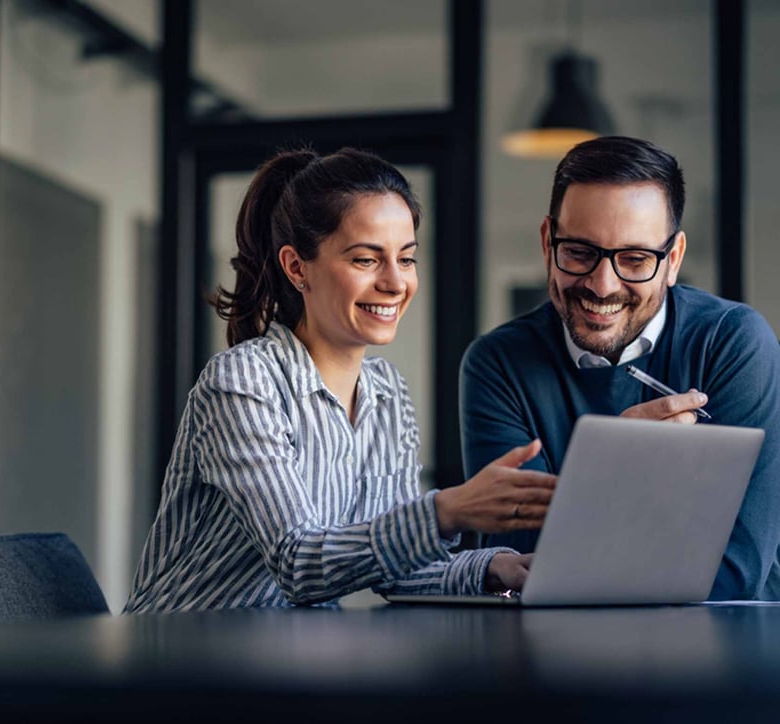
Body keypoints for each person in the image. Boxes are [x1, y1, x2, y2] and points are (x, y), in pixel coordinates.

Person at [126, 146, 556, 613]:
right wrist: (447, 510)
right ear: (297, 267)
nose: (396, 282)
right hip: (178, 660)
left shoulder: (387, 391)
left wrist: (497, 568)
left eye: (406, 259)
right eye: (366, 260)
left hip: (288, 660)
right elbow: (299, 564)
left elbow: (395, 566)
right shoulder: (241, 381)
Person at [460, 135, 780, 601]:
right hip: (561, 651)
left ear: (672, 260)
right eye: (580, 252)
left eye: (634, 259)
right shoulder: (497, 364)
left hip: (730, 643)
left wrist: (585, 514)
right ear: (549, 242)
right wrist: (615, 466)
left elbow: (739, 565)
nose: (602, 284)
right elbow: (526, 562)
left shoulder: (734, 343)